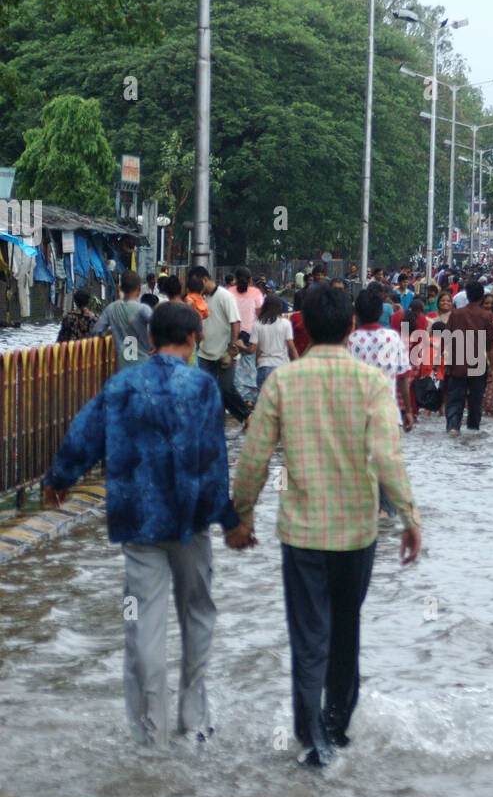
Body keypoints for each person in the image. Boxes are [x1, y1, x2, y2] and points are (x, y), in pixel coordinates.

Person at [231, 284, 422, 767]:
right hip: (357, 533)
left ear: (307, 328)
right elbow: (387, 455)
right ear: (352, 326)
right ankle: (337, 728)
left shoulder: (282, 383)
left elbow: (254, 456)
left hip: (303, 533)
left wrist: (243, 514)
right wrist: (408, 518)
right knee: (345, 630)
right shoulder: (372, 383)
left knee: (308, 634)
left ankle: (311, 736)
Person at [43, 303, 242, 746]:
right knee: (198, 615)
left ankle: (149, 733)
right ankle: (194, 719)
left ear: (150, 341)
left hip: (138, 524)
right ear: (193, 341)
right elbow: (214, 462)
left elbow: (84, 434)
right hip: (191, 525)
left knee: (142, 626)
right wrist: (229, 520)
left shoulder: (123, 384)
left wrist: (59, 480)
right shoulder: (203, 388)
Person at [187, 265, 248, 425]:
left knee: (226, 389)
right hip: (204, 353)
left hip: (224, 352)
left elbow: (235, 322)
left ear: (205, 279)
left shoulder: (225, 296)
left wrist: (232, 345)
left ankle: (247, 416)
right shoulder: (197, 298)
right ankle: (216, 426)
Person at [348, 286, 415, 428]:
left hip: (357, 417)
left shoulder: (349, 341)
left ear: (357, 313)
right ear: (381, 312)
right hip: (387, 414)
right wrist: (408, 411)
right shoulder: (393, 338)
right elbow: (403, 377)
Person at [444, 279, 493, 435]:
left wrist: (446, 363)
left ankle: (453, 427)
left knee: (455, 398)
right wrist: (492, 366)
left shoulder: (456, 314)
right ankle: (473, 429)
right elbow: (489, 344)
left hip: (457, 361)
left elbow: (447, 338)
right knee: (475, 401)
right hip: (478, 363)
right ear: (481, 297)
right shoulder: (486, 316)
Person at [93, 269, 152, 369]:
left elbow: (97, 330)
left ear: (120, 288)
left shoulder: (110, 309)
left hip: (122, 366)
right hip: (143, 365)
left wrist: (111, 332)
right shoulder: (143, 309)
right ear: (139, 288)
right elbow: (159, 326)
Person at [229, 267, 265, 408]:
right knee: (250, 367)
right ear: (250, 280)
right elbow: (260, 315)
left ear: (235, 279)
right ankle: (250, 399)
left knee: (235, 368)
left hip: (232, 334)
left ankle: (238, 398)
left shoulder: (229, 292)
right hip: (252, 335)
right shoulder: (256, 293)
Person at [248, 294, 298, 390]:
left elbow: (255, 349)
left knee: (264, 401)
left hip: (264, 366)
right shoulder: (285, 323)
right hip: (282, 366)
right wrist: (297, 365)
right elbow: (291, 347)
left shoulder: (258, 324)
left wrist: (257, 363)